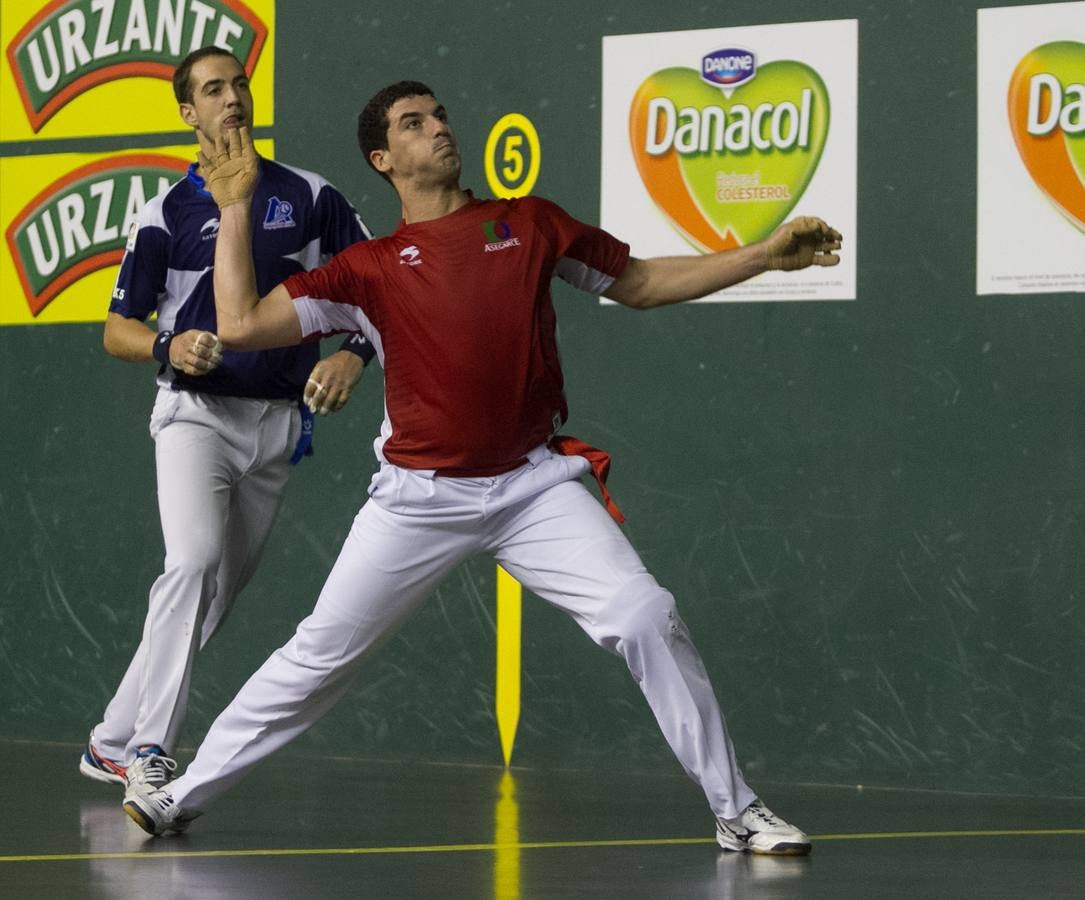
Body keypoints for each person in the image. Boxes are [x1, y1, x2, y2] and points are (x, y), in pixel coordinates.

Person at [122, 81, 842, 855]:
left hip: (532, 488)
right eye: (413, 124)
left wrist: (762, 256)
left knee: (645, 614)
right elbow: (239, 323)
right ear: (382, 159)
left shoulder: (529, 223)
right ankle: (181, 797)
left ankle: (736, 810)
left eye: (439, 116)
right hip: (417, 500)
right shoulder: (366, 269)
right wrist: (234, 208)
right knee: (317, 657)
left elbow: (638, 284)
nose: (438, 128)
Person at [79, 47, 376, 791]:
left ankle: (110, 739)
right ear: (189, 112)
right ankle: (149, 750)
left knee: (212, 594)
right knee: (190, 563)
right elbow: (116, 328)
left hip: (277, 425)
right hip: (195, 418)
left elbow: (385, 289)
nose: (231, 98)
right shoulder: (166, 213)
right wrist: (167, 344)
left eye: (238, 84)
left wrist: (353, 354)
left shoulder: (310, 196)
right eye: (213, 90)